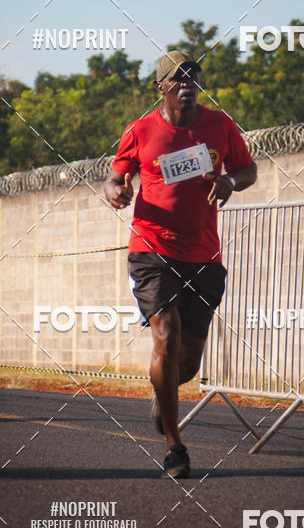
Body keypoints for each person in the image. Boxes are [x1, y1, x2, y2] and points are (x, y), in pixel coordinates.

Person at [104, 50, 257, 479]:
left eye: (193, 75)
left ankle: (163, 394)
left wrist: (230, 180)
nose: (187, 82)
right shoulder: (141, 131)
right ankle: (175, 446)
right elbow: (117, 177)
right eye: (177, 77)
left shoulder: (220, 126)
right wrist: (115, 190)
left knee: (187, 362)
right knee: (165, 336)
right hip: (152, 250)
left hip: (204, 256)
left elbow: (248, 170)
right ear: (161, 87)